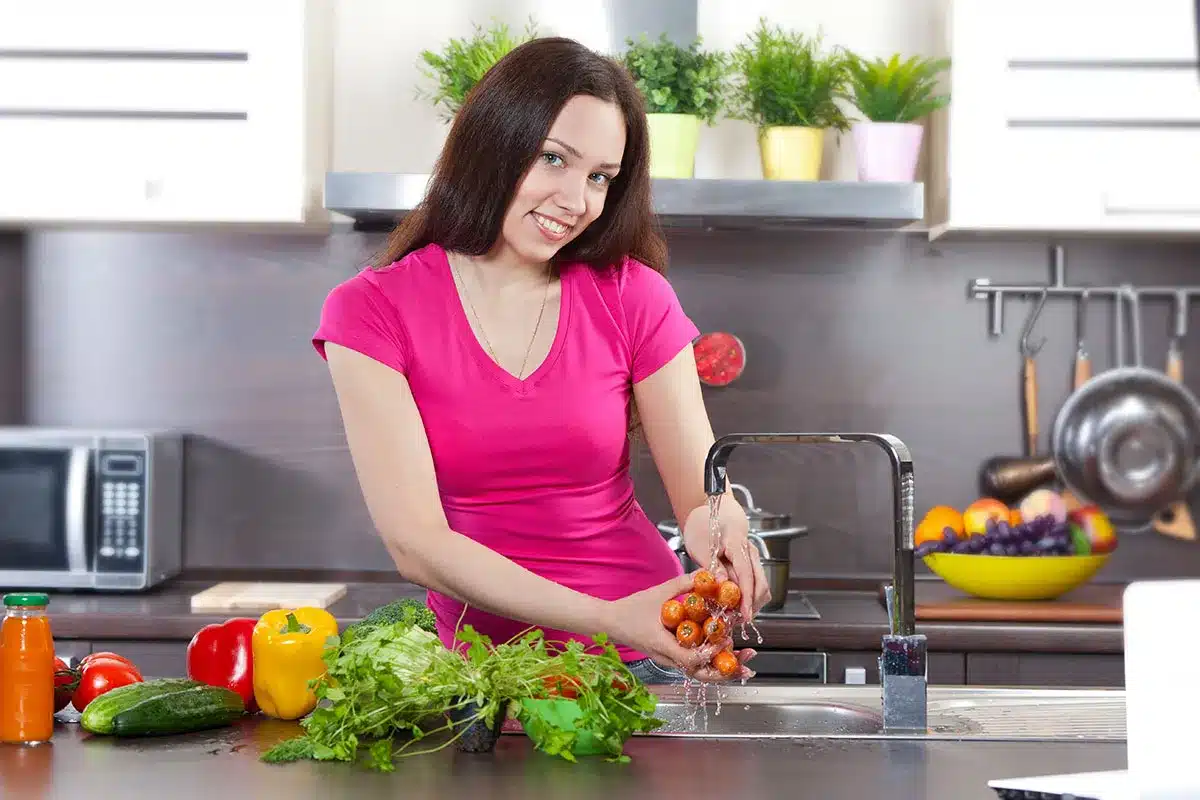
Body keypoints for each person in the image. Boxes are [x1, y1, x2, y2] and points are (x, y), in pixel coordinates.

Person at [312, 36, 770, 684]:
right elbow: (417, 545)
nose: (576, 199)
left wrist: (725, 532)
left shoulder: (633, 295)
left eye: (599, 178)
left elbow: (702, 495)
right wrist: (610, 617)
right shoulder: (373, 312)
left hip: (651, 657)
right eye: (553, 158)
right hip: (489, 681)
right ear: (493, 142)